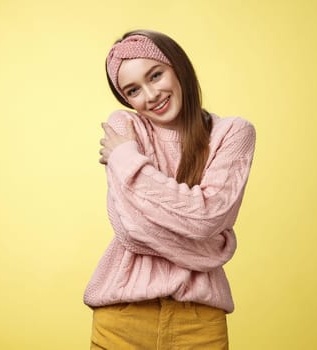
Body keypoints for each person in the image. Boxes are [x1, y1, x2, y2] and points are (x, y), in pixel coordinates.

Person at [84, 29, 256, 349]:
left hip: (200, 322)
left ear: (178, 66)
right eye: (133, 90)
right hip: (122, 317)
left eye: (156, 75)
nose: (150, 95)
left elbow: (209, 217)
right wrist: (207, 247)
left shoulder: (232, 133)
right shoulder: (126, 127)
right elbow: (130, 230)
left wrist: (126, 159)